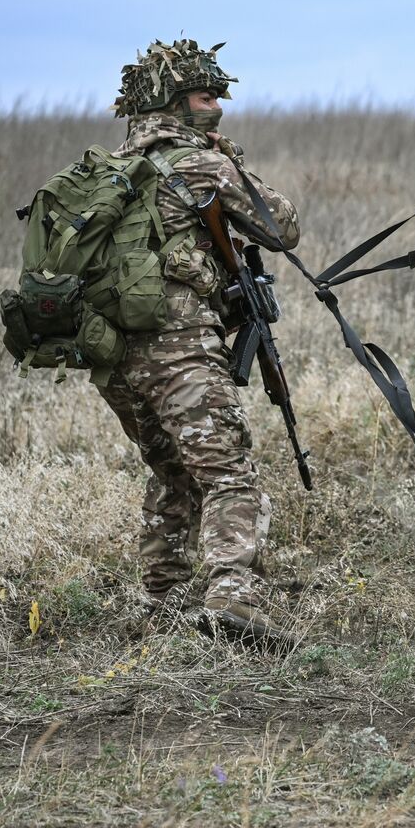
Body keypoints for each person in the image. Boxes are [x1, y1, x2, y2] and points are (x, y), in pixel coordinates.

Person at [104, 39, 300, 644]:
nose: (217, 107)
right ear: (173, 102)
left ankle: (162, 600)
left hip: (112, 356)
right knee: (227, 474)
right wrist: (232, 162)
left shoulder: (109, 171)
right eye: (206, 95)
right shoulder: (202, 164)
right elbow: (281, 226)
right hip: (180, 347)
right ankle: (233, 600)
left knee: (171, 470)